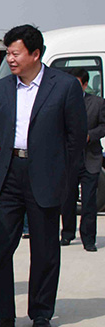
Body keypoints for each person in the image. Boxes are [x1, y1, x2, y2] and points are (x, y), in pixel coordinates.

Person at [0, 24, 86, 327]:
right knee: (1, 246)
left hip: (46, 174)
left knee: (44, 248)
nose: (10, 59)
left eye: (16, 53)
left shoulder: (64, 86)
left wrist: (63, 177)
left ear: (35, 54)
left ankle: (41, 312)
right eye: (8, 53)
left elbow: (75, 137)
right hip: (10, 172)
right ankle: (1, 314)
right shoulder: (1, 89)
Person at [61, 68, 105, 252]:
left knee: (88, 201)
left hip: (90, 158)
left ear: (85, 85)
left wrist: (89, 136)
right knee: (67, 199)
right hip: (69, 159)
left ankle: (88, 238)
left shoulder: (98, 103)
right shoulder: (63, 102)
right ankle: (67, 233)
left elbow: (103, 126)